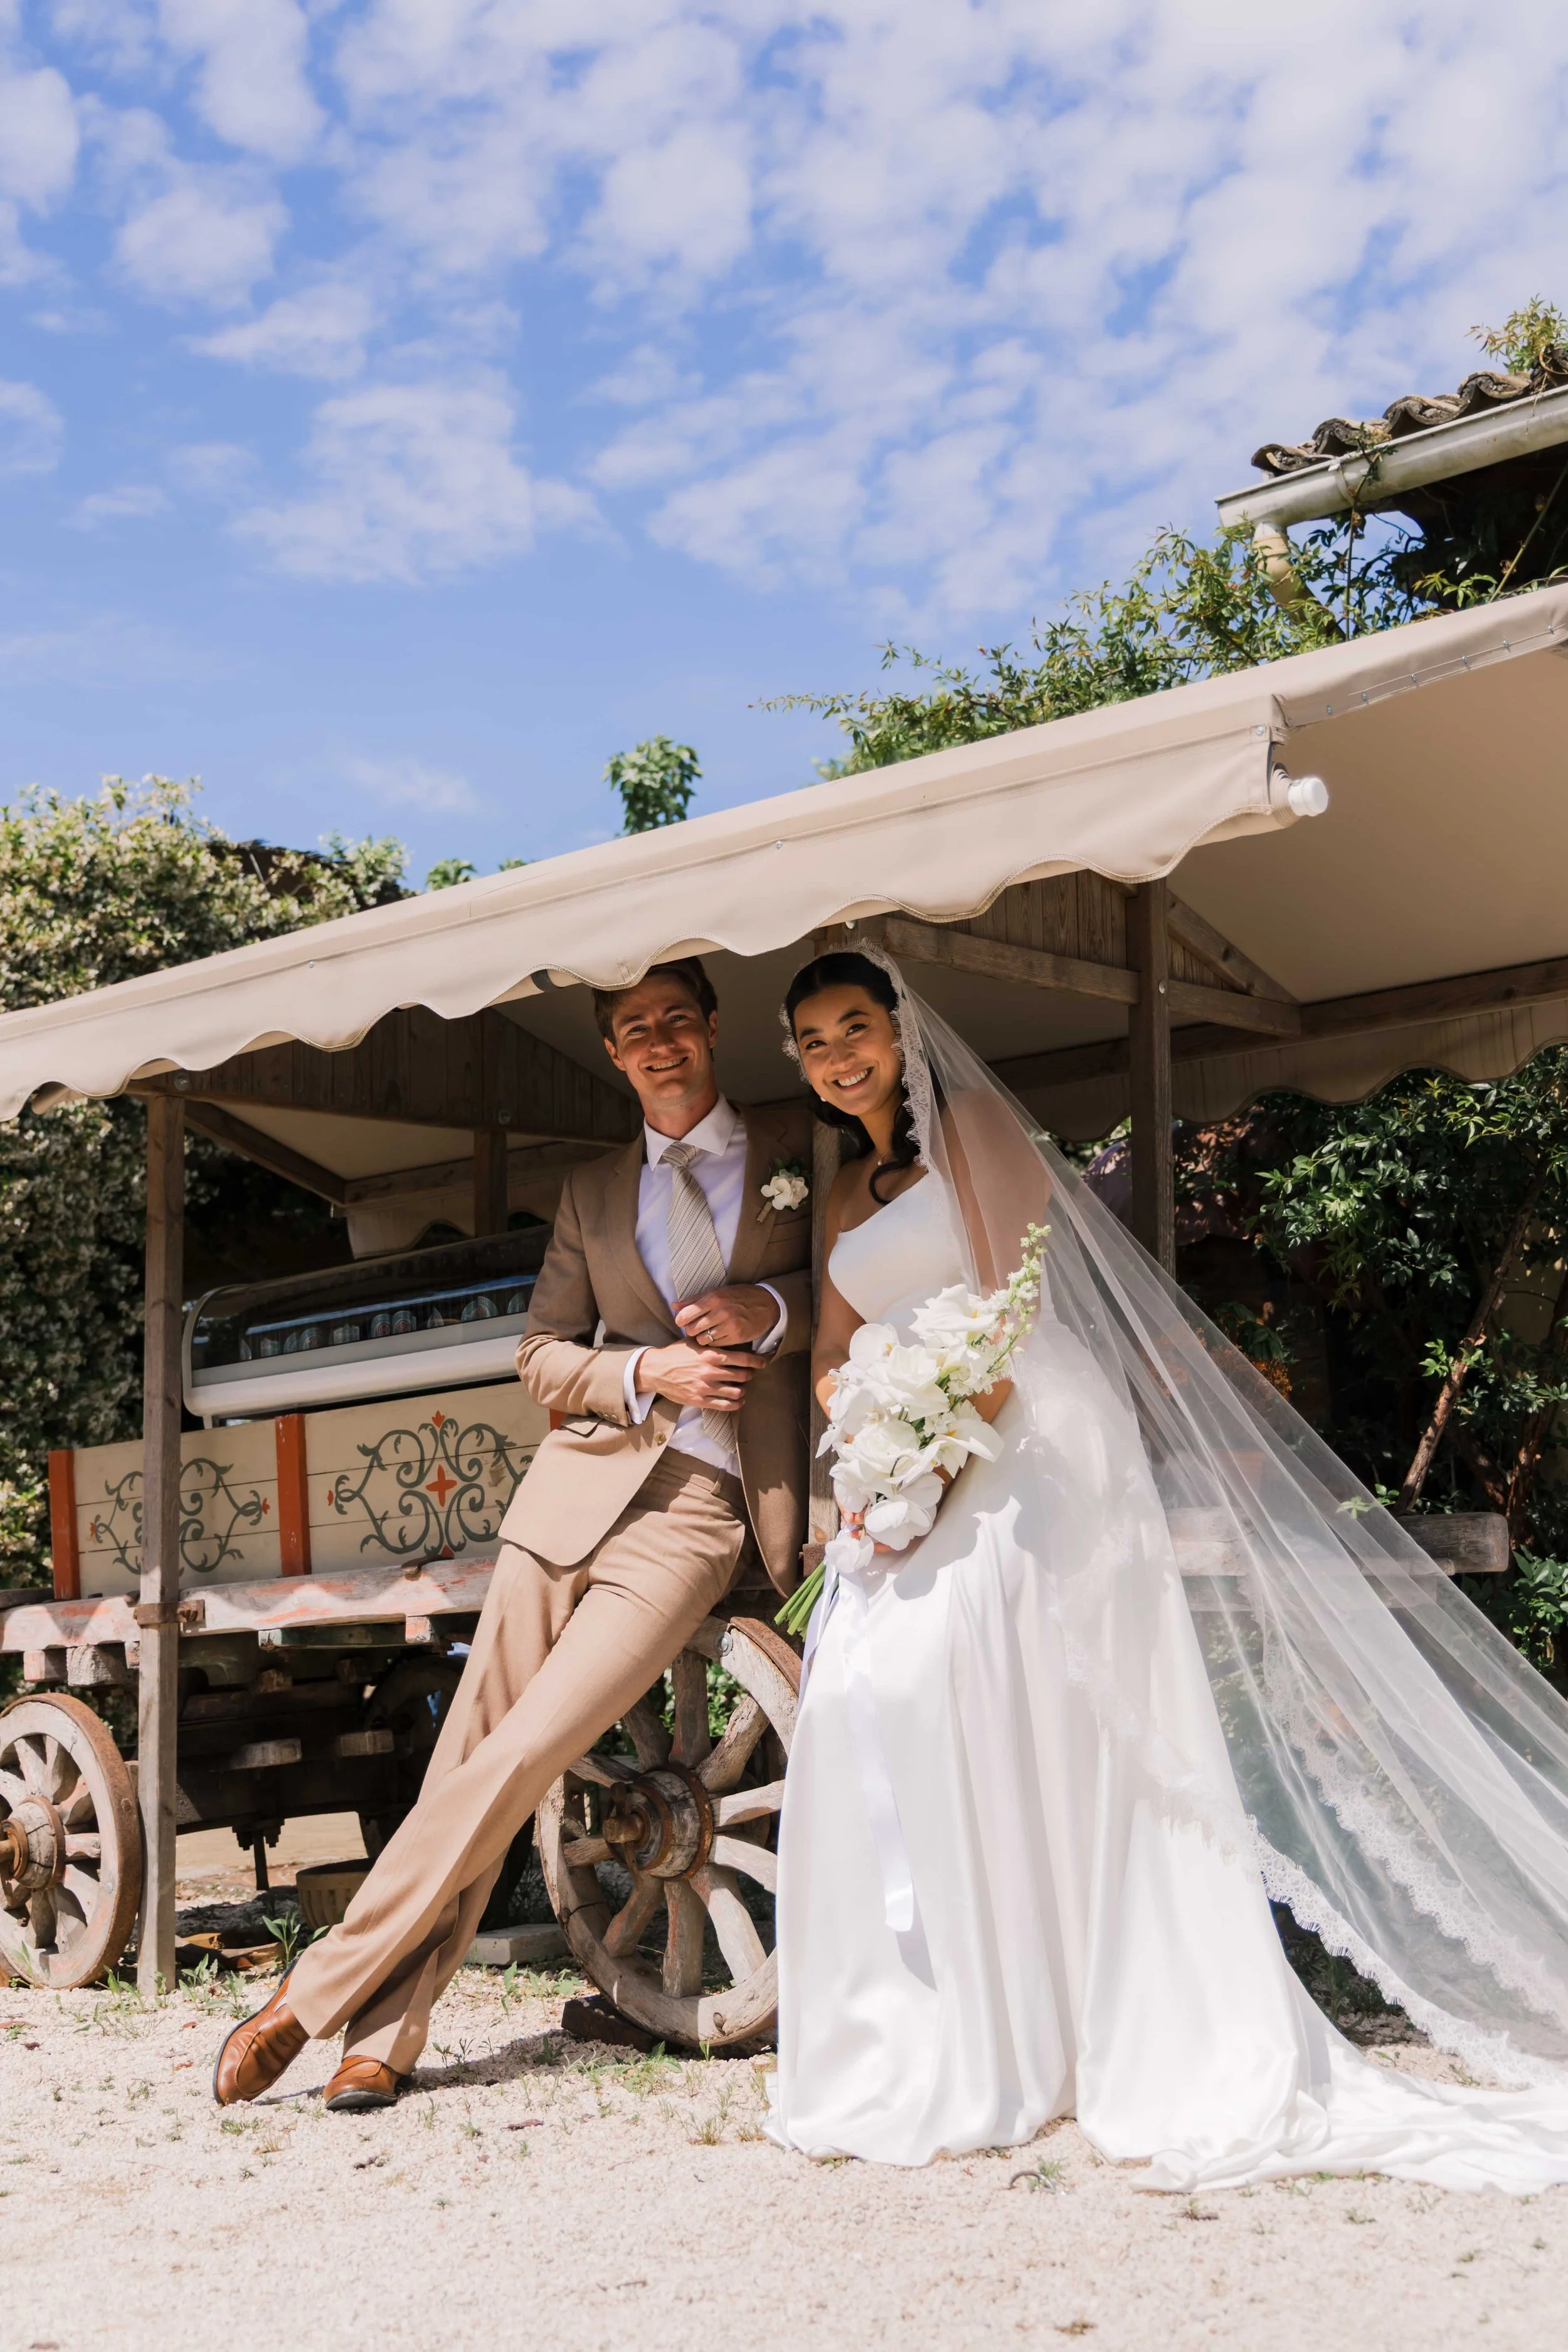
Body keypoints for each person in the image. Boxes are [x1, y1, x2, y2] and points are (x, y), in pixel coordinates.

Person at [768, 945, 1568, 2191]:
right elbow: (832, 1341)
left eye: (852, 1026)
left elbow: (1008, 1301)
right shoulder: (838, 1198)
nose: (835, 1056)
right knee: (881, 1697)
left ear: (899, 1029)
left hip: (1023, 1435)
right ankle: (958, 2023)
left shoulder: (974, 1124)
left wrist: (932, 1435)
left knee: (1019, 1700)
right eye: (811, 1042)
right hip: (908, 1460)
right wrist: (859, 1446)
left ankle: (1095, 2017)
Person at [213, 956, 812, 2110]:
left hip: (700, 1515)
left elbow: (854, 1272)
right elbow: (539, 1356)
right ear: (612, 1050)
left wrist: (769, 1309)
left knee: (530, 1751)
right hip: (568, 1502)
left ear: (711, 1026)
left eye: (676, 1019)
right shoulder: (593, 1189)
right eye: (634, 1028)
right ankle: (389, 2032)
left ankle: (315, 1990)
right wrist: (647, 1367)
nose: (659, 1041)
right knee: (468, 1752)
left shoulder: (799, 1144)